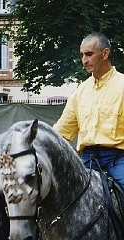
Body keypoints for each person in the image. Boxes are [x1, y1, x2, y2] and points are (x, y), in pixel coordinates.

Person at [53, 32, 124, 190]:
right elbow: (61, 132)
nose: (84, 60)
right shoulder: (80, 92)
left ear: (105, 53)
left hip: (119, 159)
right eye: (82, 55)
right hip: (87, 160)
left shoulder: (122, 85)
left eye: (89, 54)